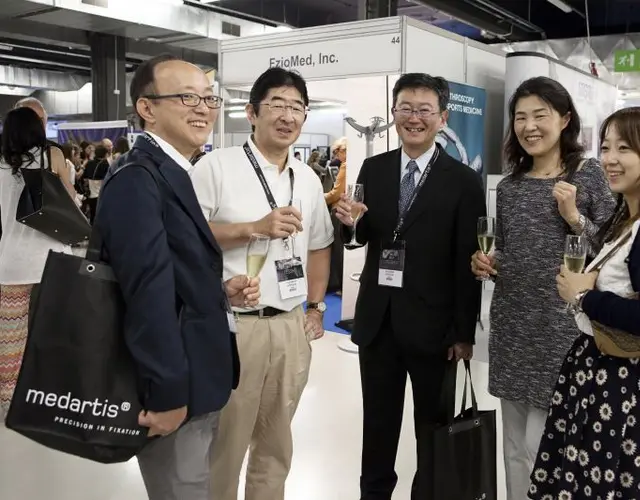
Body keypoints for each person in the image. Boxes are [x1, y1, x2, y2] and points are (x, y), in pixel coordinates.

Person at [94, 54, 260, 500]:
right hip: (176, 386)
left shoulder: (175, 172)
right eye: (187, 97)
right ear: (146, 108)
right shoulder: (138, 178)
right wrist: (166, 395)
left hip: (199, 374)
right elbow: (145, 293)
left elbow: (171, 272)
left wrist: (218, 292)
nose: (203, 108)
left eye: (208, 98)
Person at [333, 73, 486, 500]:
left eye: (424, 110)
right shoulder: (375, 168)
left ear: (442, 118)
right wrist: (350, 224)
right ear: (394, 113)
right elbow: (359, 235)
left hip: (436, 329)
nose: (414, 118)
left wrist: (463, 332)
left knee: (432, 430)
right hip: (378, 323)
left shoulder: (463, 180)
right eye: (405, 108)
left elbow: (468, 260)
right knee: (377, 427)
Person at [192, 67, 334, 500]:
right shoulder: (216, 166)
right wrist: (253, 228)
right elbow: (187, 235)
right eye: (277, 104)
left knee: (277, 445)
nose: (287, 116)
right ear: (252, 113)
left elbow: (319, 245)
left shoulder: (307, 178)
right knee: (225, 445)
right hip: (235, 325)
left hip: (290, 326)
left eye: (297, 107)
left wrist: (316, 308)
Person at [471, 77, 616, 499]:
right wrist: (487, 263)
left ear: (565, 119)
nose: (529, 126)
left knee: (544, 446)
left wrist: (573, 216)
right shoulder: (510, 185)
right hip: (514, 328)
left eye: (540, 115)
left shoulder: (589, 174)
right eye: (520, 117)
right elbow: (508, 250)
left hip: (562, 333)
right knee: (514, 447)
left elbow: (613, 251)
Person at [529, 106, 640, 499]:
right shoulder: (624, 218)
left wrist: (583, 296)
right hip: (595, 371)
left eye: (624, 148)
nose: (610, 159)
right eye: (606, 147)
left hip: (620, 380)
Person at [0, 107, 75, 418]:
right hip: (52, 259)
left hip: (11, 262)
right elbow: (71, 200)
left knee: (11, 338)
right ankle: (49, 397)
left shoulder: (1, 162)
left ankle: (9, 403)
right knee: (54, 331)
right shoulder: (51, 156)